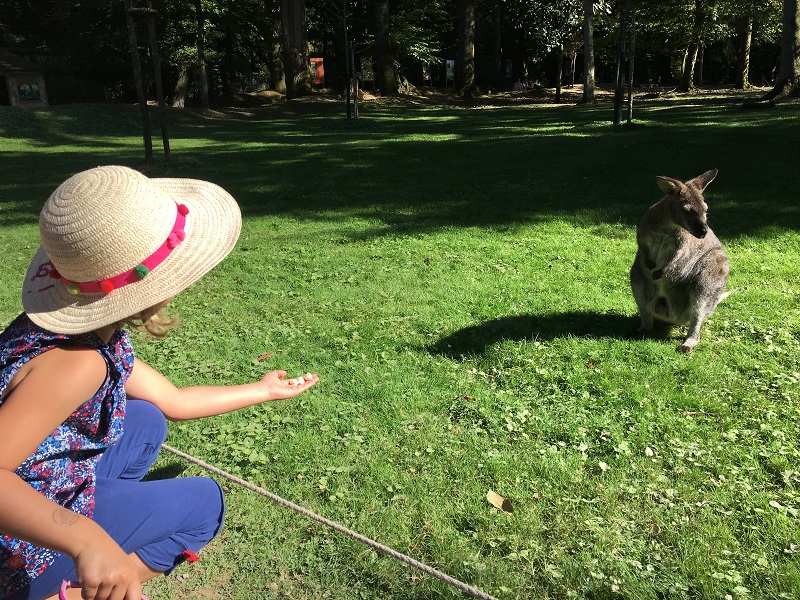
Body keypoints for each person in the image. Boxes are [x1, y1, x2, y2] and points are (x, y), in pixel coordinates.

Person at [0, 165, 319, 600]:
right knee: (205, 504)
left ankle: (103, 522)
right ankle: (78, 588)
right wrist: (88, 541)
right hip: (16, 549)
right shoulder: (77, 363)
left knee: (147, 420)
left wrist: (263, 389)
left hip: (47, 477)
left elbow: (173, 400)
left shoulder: (76, 336)